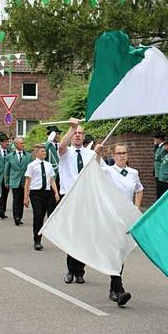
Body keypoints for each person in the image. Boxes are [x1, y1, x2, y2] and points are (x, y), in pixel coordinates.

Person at [58, 119, 108, 284]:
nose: (77, 135)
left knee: (83, 235)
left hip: (86, 196)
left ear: (84, 136)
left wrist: (99, 154)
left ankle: (80, 271)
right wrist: (71, 128)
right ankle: (70, 270)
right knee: (72, 234)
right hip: (70, 196)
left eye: (80, 133)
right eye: (75, 133)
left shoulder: (90, 154)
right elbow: (61, 146)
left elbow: (96, 171)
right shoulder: (66, 152)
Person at [97, 143, 143, 306]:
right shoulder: (108, 171)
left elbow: (139, 189)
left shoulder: (133, 173)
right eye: (119, 153)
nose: (122, 155)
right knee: (115, 251)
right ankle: (118, 289)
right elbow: (94, 168)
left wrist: (136, 207)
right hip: (112, 216)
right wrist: (97, 153)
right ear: (114, 156)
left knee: (121, 253)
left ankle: (114, 289)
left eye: (124, 153)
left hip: (127, 217)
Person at [24, 144, 60, 251]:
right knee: (38, 215)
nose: (45, 153)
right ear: (36, 153)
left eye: (45, 152)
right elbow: (27, 182)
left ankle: (42, 236)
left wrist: (56, 192)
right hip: (35, 193)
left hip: (47, 193)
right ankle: (37, 240)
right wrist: (26, 197)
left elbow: (52, 179)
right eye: (42, 151)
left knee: (45, 215)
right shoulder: (32, 165)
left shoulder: (48, 165)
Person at [5, 137, 31, 226]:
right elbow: (7, 170)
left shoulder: (28, 156)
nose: (23, 145)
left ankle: (20, 216)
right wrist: (6, 181)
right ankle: (16, 216)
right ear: (16, 145)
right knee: (16, 199)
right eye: (21, 143)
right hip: (14, 181)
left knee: (22, 199)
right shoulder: (9, 156)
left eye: (23, 143)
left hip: (24, 181)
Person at [44, 125, 62, 192]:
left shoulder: (61, 145)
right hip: (51, 176)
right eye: (55, 134)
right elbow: (42, 155)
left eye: (58, 134)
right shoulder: (46, 145)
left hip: (61, 175)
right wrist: (49, 142)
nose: (58, 136)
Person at [153, 132, 167, 198]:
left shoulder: (163, 147)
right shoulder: (158, 147)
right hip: (157, 171)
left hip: (161, 171)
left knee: (161, 188)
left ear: (159, 139)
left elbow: (162, 158)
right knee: (158, 187)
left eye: (155, 139)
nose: (154, 141)